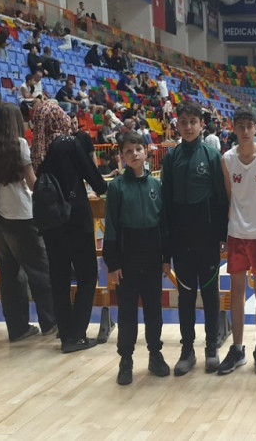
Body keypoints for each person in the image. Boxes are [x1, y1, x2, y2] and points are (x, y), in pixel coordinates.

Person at [31, 101, 107, 353]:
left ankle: (65, 333)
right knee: (87, 274)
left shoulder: (38, 150)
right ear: (58, 119)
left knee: (59, 278)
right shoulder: (67, 143)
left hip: (51, 223)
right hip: (75, 219)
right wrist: (108, 188)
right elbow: (93, 177)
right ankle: (77, 335)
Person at [161, 100, 228, 375]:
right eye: (183, 122)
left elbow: (221, 198)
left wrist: (222, 235)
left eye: (193, 122)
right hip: (181, 238)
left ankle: (211, 347)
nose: (188, 127)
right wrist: (166, 246)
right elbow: (165, 204)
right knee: (186, 295)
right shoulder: (171, 158)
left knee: (210, 293)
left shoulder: (212, 156)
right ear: (177, 125)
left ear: (201, 125)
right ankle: (187, 349)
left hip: (207, 237)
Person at [0, 103, 56, 342]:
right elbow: (31, 182)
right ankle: (50, 323)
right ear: (15, 121)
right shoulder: (20, 144)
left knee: (10, 276)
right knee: (40, 271)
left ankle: (18, 328)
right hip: (21, 216)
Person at [103, 131, 170, 385]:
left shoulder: (156, 186)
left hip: (152, 256)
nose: (134, 154)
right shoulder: (116, 187)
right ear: (121, 156)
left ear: (146, 152)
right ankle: (126, 359)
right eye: (128, 151)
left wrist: (166, 257)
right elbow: (111, 226)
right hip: (127, 258)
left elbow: (163, 224)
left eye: (138, 149)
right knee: (127, 312)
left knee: (154, 310)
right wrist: (113, 263)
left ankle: (155, 354)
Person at [217, 107, 256, 376]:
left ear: (255, 128)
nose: (244, 131)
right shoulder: (227, 159)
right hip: (237, 234)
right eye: (239, 126)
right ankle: (238, 348)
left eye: (248, 126)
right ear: (234, 128)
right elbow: (230, 197)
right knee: (237, 291)